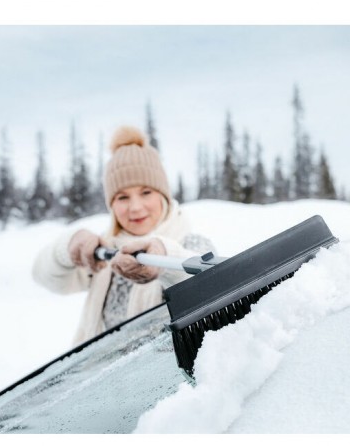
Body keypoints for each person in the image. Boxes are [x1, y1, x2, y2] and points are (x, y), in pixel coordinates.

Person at [32, 126, 215, 345]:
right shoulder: (103, 252)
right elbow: (45, 277)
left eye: (146, 192)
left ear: (163, 196)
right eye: (122, 197)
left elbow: (208, 288)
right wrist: (68, 247)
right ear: (111, 205)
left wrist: (164, 258)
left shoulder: (191, 243)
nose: (135, 208)